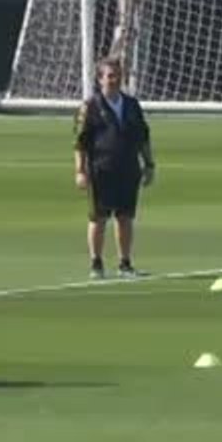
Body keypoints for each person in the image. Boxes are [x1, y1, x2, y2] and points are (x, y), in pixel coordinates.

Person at [74, 57, 155, 280]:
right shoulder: (90, 107)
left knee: (125, 217)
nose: (112, 80)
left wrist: (149, 164)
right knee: (98, 217)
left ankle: (125, 263)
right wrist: (80, 171)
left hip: (128, 169)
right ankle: (96, 264)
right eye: (108, 76)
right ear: (99, 79)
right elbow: (80, 143)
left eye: (116, 75)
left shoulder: (131, 105)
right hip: (100, 170)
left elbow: (143, 137)